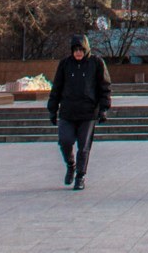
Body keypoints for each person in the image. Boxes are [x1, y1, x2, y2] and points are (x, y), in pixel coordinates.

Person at [47, 34, 112, 190]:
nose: (78, 53)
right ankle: (71, 165)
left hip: (88, 112)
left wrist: (104, 109)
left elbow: (105, 87)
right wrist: (52, 109)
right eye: (75, 50)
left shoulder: (96, 63)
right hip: (68, 112)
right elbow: (56, 88)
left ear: (86, 49)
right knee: (65, 141)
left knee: (83, 147)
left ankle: (80, 176)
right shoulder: (65, 64)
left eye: (81, 50)